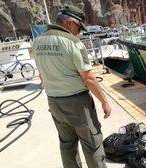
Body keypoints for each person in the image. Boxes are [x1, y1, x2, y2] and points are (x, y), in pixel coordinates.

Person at [32, 5, 111, 168]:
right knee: (92, 145)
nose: (79, 32)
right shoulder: (73, 43)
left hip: (54, 102)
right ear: (69, 23)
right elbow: (89, 79)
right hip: (77, 104)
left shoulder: (38, 41)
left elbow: (41, 74)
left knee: (67, 145)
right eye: (78, 27)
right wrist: (104, 101)